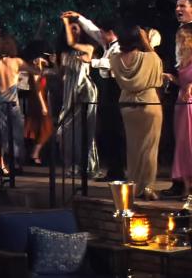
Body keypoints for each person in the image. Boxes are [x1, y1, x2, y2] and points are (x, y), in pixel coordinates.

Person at [64, 11, 125, 180]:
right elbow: (92, 30)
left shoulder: (120, 46)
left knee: (115, 130)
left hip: (116, 89)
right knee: (107, 130)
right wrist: (79, 17)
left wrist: (92, 62)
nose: (100, 35)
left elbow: (114, 63)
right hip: (107, 88)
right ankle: (113, 170)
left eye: (103, 32)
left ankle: (118, 170)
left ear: (111, 32)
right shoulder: (107, 42)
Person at [111, 26, 164, 200]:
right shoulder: (150, 57)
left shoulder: (115, 59)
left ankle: (134, 186)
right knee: (149, 149)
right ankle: (147, 187)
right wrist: (146, 41)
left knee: (133, 148)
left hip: (127, 105)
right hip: (148, 104)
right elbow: (158, 76)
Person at [56, 15, 99, 177]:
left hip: (84, 90)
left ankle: (86, 165)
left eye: (75, 27)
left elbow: (72, 43)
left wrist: (66, 22)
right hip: (69, 90)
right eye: (70, 28)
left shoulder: (87, 47)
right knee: (66, 128)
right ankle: (72, 164)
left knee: (86, 127)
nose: (73, 30)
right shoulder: (63, 53)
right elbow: (60, 73)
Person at [0, 34, 32, 175]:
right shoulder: (17, 62)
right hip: (13, 104)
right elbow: (35, 71)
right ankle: (16, 163)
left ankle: (1, 165)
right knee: (16, 134)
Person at [172, 24, 192, 200]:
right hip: (181, 103)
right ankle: (186, 187)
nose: (183, 41)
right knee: (182, 145)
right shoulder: (181, 59)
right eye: (180, 38)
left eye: (186, 38)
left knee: (190, 144)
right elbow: (183, 83)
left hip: (191, 105)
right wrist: (172, 79)